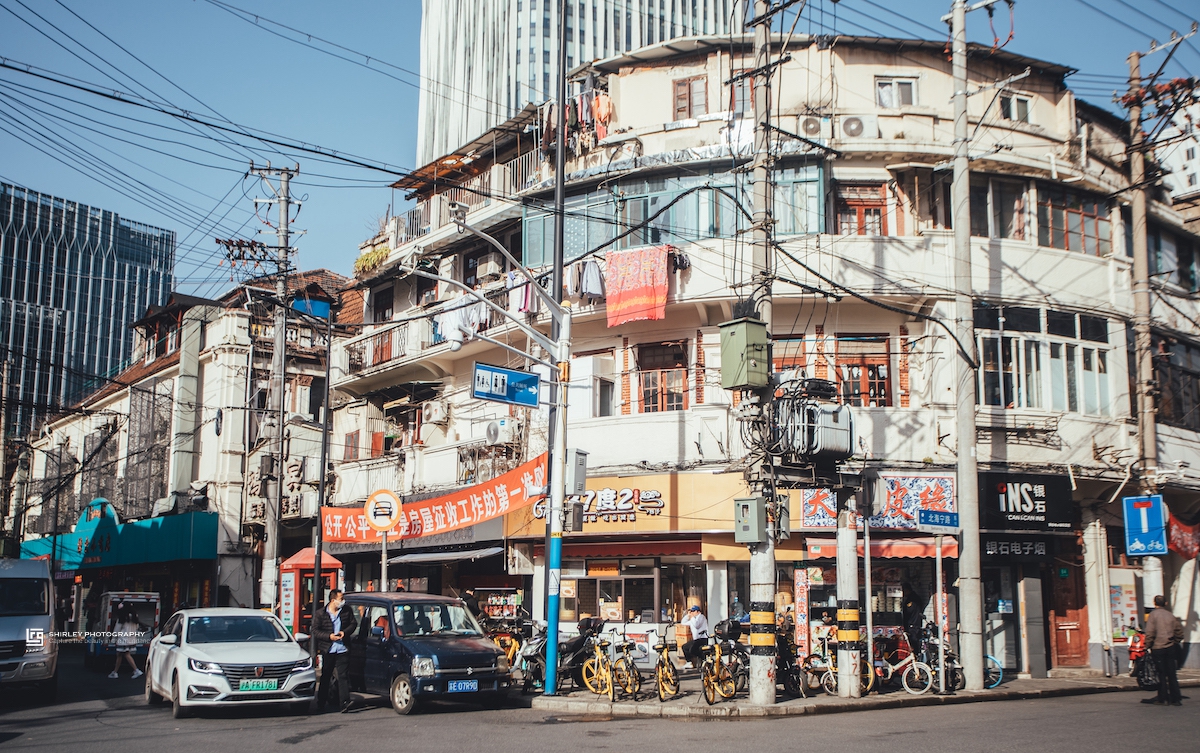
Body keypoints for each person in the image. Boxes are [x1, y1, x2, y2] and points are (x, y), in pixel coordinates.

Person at [313, 589, 359, 713]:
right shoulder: (321, 613)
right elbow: (315, 630)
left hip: (342, 648)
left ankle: (344, 703)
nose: (342, 601)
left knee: (343, 676)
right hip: (328, 649)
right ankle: (321, 703)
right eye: (340, 599)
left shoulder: (346, 611)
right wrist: (329, 636)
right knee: (326, 676)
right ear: (333, 600)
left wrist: (345, 632)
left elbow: (353, 624)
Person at [1142, 594, 1184, 707]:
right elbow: (1179, 631)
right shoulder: (1170, 615)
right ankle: (1176, 699)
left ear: (1154, 603)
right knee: (1172, 674)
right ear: (1165, 603)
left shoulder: (1153, 615)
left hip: (1158, 648)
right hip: (1170, 647)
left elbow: (1150, 632)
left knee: (1161, 674)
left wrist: (1147, 645)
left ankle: (1163, 698)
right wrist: (1175, 641)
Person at [108, 602, 143, 680]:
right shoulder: (134, 616)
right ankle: (115, 672)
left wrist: (113, 639)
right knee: (119, 654)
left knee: (126, 654)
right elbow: (137, 627)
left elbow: (117, 629)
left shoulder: (122, 617)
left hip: (123, 639)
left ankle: (136, 670)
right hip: (132, 638)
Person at [681, 605, 710, 669]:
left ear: (698, 611)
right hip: (696, 639)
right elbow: (683, 623)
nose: (692, 612)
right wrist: (687, 616)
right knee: (685, 647)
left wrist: (691, 617)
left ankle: (704, 658)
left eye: (693, 611)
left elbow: (697, 625)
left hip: (703, 638)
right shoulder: (693, 619)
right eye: (691, 611)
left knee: (693, 650)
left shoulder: (701, 617)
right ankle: (689, 662)